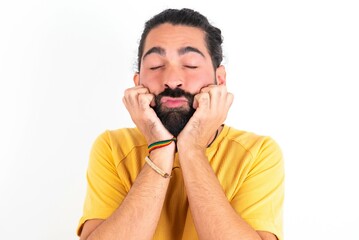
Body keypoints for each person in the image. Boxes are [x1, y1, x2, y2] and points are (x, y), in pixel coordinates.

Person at [77, 8, 284, 240]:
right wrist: (161, 148)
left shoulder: (258, 153)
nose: (171, 80)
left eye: (191, 65)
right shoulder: (112, 147)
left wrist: (192, 149)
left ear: (220, 79)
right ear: (138, 83)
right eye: (156, 66)